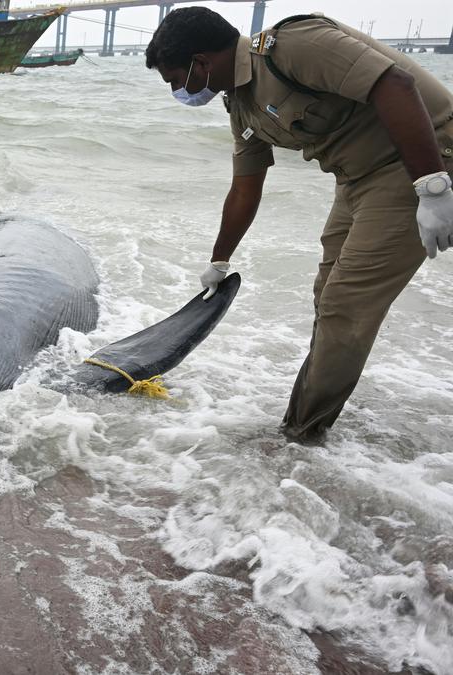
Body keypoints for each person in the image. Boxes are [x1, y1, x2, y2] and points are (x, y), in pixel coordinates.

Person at [144, 8, 453, 444]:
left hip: (422, 159)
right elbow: (245, 188)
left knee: (345, 305)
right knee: (326, 295)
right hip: (356, 179)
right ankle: (313, 412)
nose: (180, 91)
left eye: (177, 79)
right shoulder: (241, 104)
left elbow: (394, 84)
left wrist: (433, 186)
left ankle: (301, 434)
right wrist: (219, 259)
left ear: (201, 62)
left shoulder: (292, 47)